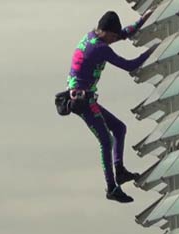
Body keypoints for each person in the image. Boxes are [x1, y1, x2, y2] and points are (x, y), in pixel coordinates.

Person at [66, 10, 156, 203]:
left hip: (86, 98)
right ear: (105, 32)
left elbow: (123, 33)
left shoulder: (92, 37)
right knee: (106, 141)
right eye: (113, 36)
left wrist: (143, 19)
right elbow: (130, 65)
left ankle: (120, 171)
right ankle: (111, 187)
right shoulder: (100, 48)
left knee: (119, 128)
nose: (115, 39)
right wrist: (152, 50)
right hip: (83, 102)